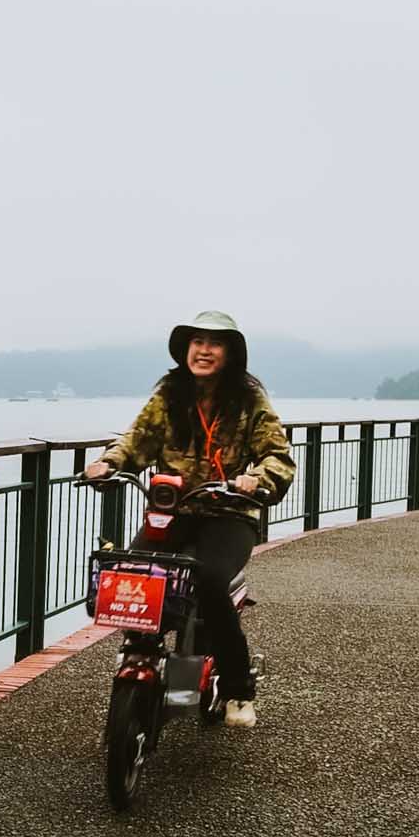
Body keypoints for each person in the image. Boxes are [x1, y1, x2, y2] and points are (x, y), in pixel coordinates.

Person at [82, 310, 295, 728]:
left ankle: (237, 689)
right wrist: (107, 464)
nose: (204, 351)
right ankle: (143, 650)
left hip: (228, 512)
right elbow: (137, 440)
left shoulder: (249, 400)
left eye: (214, 343)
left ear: (231, 353)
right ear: (185, 350)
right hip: (174, 509)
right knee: (134, 570)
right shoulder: (170, 394)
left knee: (211, 580)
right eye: (197, 342)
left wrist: (255, 479)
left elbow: (278, 457)